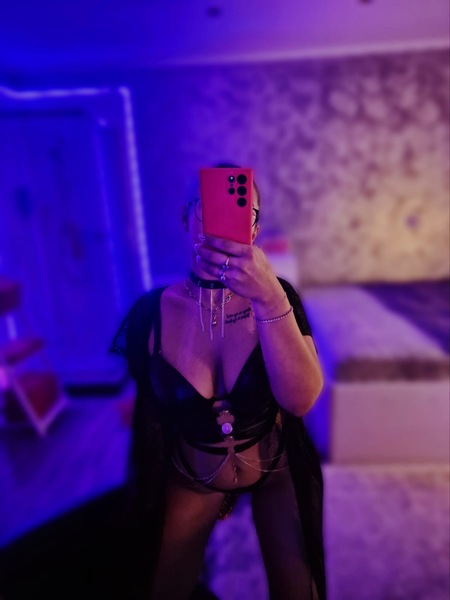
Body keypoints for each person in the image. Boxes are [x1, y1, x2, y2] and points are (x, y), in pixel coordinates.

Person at [110, 165, 326, 600]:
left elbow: (301, 399)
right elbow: (143, 412)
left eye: (243, 209)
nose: (222, 218)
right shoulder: (150, 313)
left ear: (255, 228)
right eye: (207, 205)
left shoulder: (279, 295)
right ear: (185, 218)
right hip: (193, 473)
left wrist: (269, 298)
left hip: (276, 467)